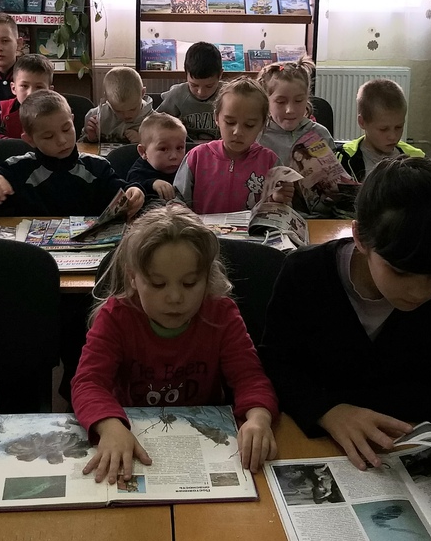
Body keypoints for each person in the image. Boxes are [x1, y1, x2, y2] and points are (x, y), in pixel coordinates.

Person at [259, 158, 431, 470]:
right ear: (360, 237)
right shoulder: (305, 273)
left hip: (405, 445)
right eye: (400, 272)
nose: (418, 292)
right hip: (316, 445)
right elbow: (276, 364)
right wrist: (327, 411)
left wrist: (334, 399)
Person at [71, 204, 278, 483]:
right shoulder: (116, 317)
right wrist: (109, 426)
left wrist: (258, 417)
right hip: (130, 434)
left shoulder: (220, 314)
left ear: (207, 277)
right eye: (158, 284)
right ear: (133, 278)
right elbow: (88, 382)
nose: (175, 298)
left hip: (204, 441)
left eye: (190, 283)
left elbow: (249, 378)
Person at [0, 89, 145, 218]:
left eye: (66, 129)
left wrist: (134, 191)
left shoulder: (97, 167)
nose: (62, 140)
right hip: (35, 250)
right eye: (48, 136)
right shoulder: (18, 168)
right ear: (30, 140)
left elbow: (121, 192)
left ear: (73, 121)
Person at [174, 78, 289, 213]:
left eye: (249, 125)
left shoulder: (270, 162)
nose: (238, 132)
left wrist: (278, 199)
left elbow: (281, 213)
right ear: (217, 118)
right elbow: (177, 200)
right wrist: (178, 209)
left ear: (262, 125)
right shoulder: (197, 157)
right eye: (230, 122)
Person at [337, 78, 425, 183]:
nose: (393, 136)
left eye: (399, 127)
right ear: (362, 122)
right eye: (384, 129)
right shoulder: (344, 158)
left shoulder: (417, 158)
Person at [256, 58, 337, 163]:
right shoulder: (257, 137)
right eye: (281, 102)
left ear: (307, 99)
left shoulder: (320, 134)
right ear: (266, 101)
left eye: (298, 101)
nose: (290, 110)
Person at [0, 52, 53, 141]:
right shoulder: (4, 108)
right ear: (13, 88)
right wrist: (5, 141)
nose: (30, 93)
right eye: (24, 86)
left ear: (50, 90)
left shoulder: (57, 111)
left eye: (39, 87)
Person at [157, 41, 222, 141]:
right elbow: (156, 122)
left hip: (219, 148)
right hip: (184, 148)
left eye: (209, 86)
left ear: (220, 75)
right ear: (186, 73)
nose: (201, 92)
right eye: (194, 85)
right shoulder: (177, 95)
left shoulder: (229, 95)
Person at [125, 112, 188, 204]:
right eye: (163, 149)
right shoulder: (138, 172)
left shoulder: (188, 167)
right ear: (143, 152)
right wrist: (152, 183)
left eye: (179, 148)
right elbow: (131, 188)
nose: (174, 156)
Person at [84, 66, 155, 144]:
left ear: (142, 93)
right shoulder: (96, 117)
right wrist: (91, 137)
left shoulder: (154, 121)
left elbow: (161, 147)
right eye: (118, 111)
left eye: (132, 109)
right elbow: (80, 146)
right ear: (107, 98)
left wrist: (142, 140)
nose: (126, 115)